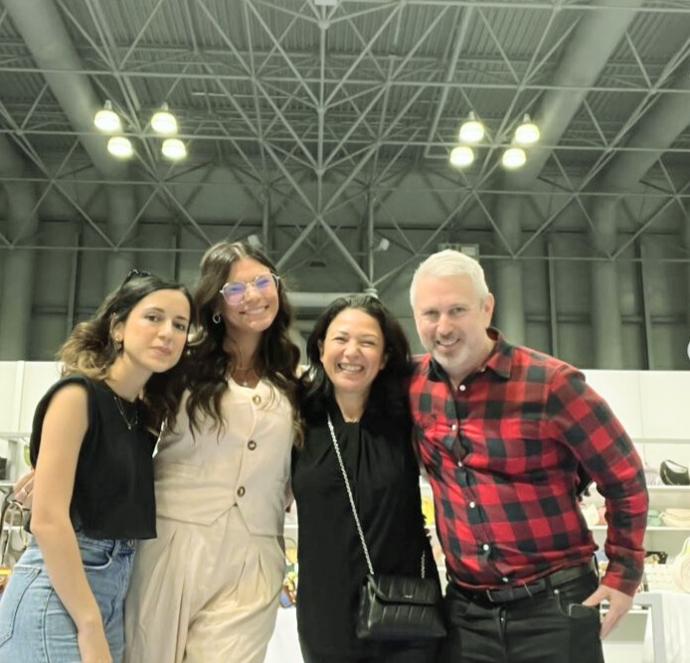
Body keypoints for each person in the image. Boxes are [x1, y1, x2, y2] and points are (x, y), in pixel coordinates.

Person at [407, 249, 649, 663]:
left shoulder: (551, 384)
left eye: (457, 310)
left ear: (487, 308)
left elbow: (624, 476)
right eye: (430, 314)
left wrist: (624, 574)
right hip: (466, 615)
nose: (443, 327)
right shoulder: (411, 385)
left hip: (556, 606)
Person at [0, 270, 192, 663]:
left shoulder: (142, 416)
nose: (167, 333)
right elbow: (48, 520)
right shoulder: (77, 395)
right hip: (59, 595)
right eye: (153, 318)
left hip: (110, 596)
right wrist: (88, 624)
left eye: (180, 325)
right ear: (118, 328)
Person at [124, 241, 301, 663]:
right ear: (217, 305)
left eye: (262, 282)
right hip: (170, 542)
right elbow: (121, 418)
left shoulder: (293, 378)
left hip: (255, 552)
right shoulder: (180, 366)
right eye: (236, 289)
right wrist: (61, 463)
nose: (253, 296)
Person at [292, 294, 440, 663]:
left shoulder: (407, 416)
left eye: (368, 342)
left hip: (406, 609)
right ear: (321, 347)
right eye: (340, 339)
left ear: (385, 357)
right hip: (324, 613)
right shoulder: (298, 416)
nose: (352, 352)